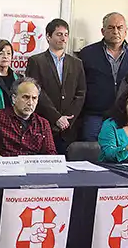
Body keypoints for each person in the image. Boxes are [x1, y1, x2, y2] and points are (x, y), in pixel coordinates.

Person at [25, 18, 87, 153]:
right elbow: (36, 92)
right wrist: (56, 118)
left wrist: (67, 118)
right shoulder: (36, 61)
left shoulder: (77, 63)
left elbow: (81, 93)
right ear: (48, 36)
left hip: (69, 126)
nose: (63, 38)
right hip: (44, 124)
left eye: (66, 35)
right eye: (59, 34)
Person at [78, 12, 128, 141]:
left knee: (120, 152)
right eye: (111, 27)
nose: (115, 31)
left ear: (125, 31)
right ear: (103, 31)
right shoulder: (88, 53)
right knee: (92, 153)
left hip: (124, 115)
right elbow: (79, 85)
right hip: (95, 115)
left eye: (119, 27)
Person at [0, 77, 56, 157]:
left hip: (32, 167)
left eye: (34, 98)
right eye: (25, 97)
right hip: (3, 166)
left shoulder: (43, 124)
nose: (30, 103)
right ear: (14, 98)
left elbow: (51, 154)